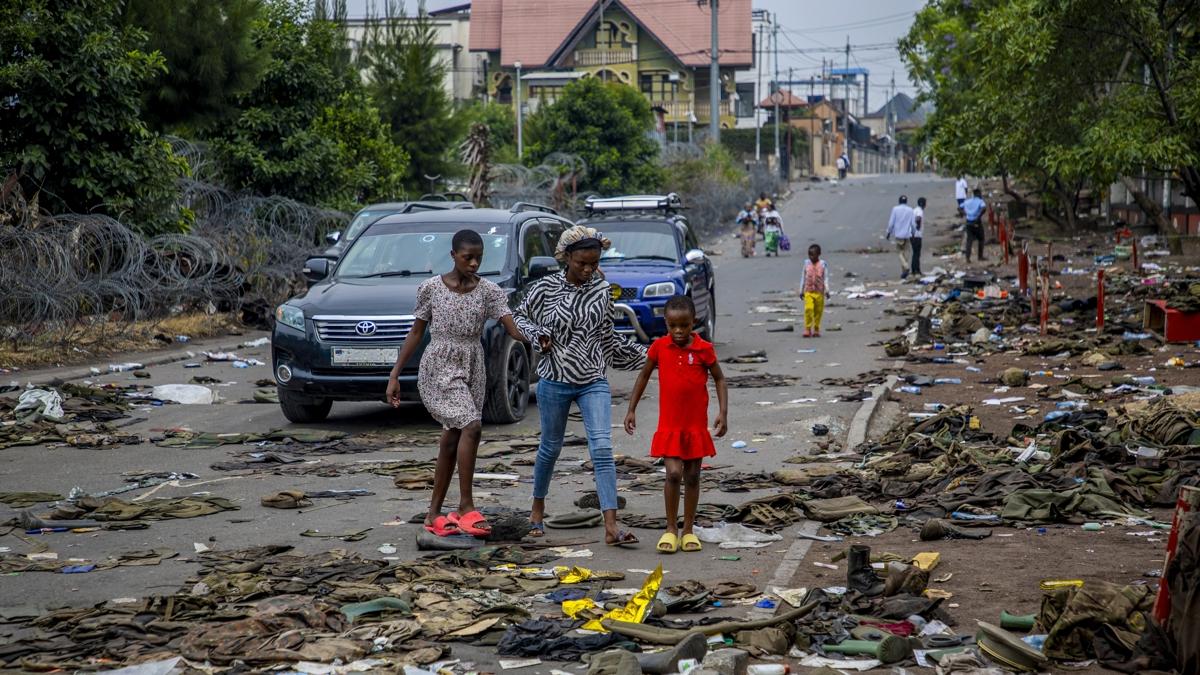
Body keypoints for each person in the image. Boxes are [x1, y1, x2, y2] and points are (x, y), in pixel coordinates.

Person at [386, 229, 529, 538]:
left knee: (453, 436)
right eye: (468, 257)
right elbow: (416, 333)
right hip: (439, 365)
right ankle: (465, 506)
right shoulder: (431, 289)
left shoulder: (489, 291)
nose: (475, 263)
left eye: (479, 257)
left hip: (472, 366)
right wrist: (395, 374)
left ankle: (433, 513)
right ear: (453, 256)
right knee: (472, 425)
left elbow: (512, 326)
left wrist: (534, 336)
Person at [514, 225, 646, 547]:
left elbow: (608, 339)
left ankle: (611, 526)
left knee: (601, 448)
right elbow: (518, 318)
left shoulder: (602, 292)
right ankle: (537, 510)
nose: (588, 269)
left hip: (593, 380)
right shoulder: (544, 289)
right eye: (581, 263)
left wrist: (650, 357)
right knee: (551, 448)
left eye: (594, 263)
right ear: (567, 257)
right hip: (554, 380)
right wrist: (537, 336)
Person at [624, 295, 728, 555]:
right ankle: (671, 529)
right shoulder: (660, 347)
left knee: (692, 476)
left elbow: (719, 379)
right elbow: (644, 374)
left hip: (695, 425)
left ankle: (688, 530)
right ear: (666, 324)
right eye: (673, 326)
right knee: (672, 473)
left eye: (684, 326)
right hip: (670, 424)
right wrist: (631, 409)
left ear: (694, 322)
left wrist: (722, 413)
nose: (679, 332)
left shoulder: (704, 349)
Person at [800, 244, 831, 337]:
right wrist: (801, 290)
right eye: (810, 255)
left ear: (819, 254)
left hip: (819, 292)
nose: (811, 257)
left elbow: (826, 278)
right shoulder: (806, 264)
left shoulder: (823, 265)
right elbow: (803, 277)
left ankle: (816, 328)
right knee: (808, 309)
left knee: (818, 311)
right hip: (808, 291)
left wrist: (827, 290)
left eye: (813, 255)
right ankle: (807, 328)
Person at [885, 195, 916, 279]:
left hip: (898, 234)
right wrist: (913, 233)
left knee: (899, 252)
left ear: (899, 201)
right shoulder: (910, 210)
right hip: (907, 235)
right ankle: (904, 272)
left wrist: (888, 232)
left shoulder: (895, 209)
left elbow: (891, 222)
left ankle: (905, 267)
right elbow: (913, 223)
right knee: (906, 253)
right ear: (906, 201)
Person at [961, 188, 987, 262]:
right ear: (978, 194)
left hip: (969, 222)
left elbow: (960, 207)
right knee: (981, 239)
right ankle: (980, 256)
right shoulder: (980, 201)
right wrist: (978, 216)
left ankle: (967, 258)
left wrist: (965, 214)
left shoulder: (967, 201)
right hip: (977, 222)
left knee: (969, 240)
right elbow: (984, 208)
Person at [911, 197, 926, 276]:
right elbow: (918, 218)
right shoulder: (920, 211)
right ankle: (917, 270)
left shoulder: (914, 210)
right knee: (917, 253)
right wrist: (918, 226)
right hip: (917, 235)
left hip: (912, 234)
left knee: (914, 253)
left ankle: (914, 269)